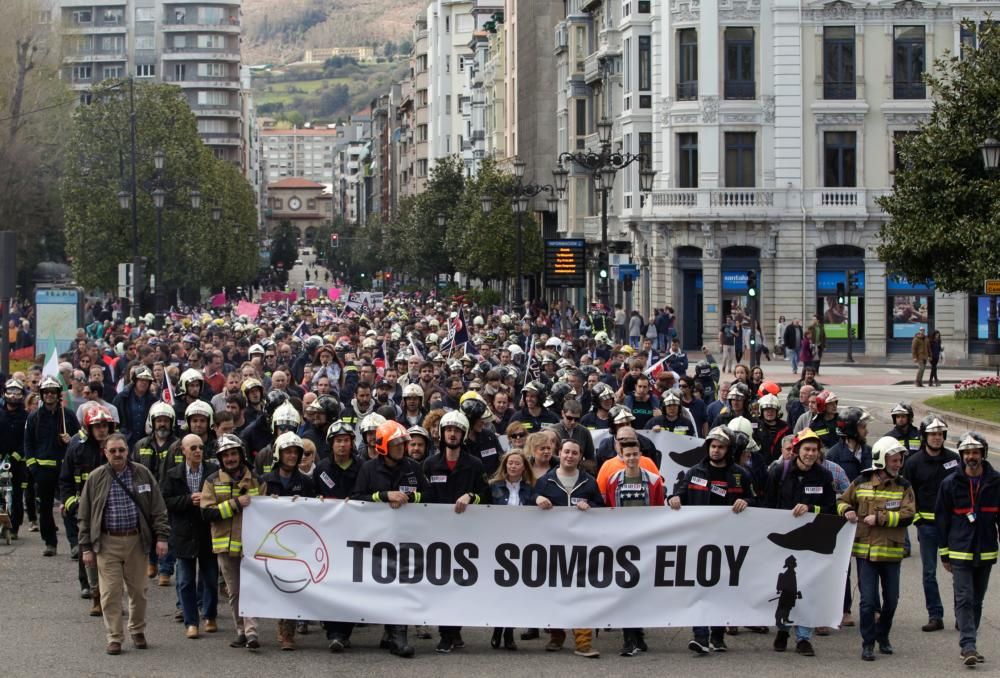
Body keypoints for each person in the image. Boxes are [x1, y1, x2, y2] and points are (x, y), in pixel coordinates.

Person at [77, 432, 170, 655]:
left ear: (128, 451)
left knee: (139, 592)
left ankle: (137, 630)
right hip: (107, 542)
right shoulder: (96, 477)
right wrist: (86, 548)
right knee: (110, 593)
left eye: (122, 450)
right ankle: (114, 637)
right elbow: (84, 515)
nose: (118, 454)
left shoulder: (142, 473)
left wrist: (162, 538)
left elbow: (158, 508)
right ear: (105, 453)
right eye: (113, 451)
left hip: (136, 541)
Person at [669, 426, 753, 654]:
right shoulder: (695, 471)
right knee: (699, 588)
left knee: (720, 589)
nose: (716, 451)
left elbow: (754, 501)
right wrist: (674, 498)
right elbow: (679, 493)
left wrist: (746, 502)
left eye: (721, 447)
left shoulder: (741, 474)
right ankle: (701, 637)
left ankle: (717, 636)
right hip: (699, 541)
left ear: (729, 449)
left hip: (728, 542)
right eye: (713, 446)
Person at [351, 420, 429, 658]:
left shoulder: (413, 468)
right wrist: (384, 496)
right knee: (382, 583)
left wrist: (407, 497)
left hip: (407, 537)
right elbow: (357, 497)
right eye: (396, 443)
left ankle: (398, 635)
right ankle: (389, 631)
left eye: (403, 443)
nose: (402, 447)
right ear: (384, 446)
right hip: (377, 538)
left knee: (402, 583)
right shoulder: (369, 469)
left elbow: (428, 495)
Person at [838, 436, 916, 661]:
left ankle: (883, 636)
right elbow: (843, 500)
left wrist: (881, 518)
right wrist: (846, 510)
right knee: (867, 601)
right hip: (866, 553)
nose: (898, 464)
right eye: (894, 459)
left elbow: (908, 514)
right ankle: (868, 643)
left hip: (891, 553)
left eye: (900, 460)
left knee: (891, 600)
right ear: (882, 459)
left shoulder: (904, 486)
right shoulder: (861, 482)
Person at [763, 428, 837, 656]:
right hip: (784, 543)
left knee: (808, 588)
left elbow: (831, 510)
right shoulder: (779, 472)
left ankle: (804, 638)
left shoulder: (824, 476)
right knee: (787, 590)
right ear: (797, 450)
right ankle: (783, 631)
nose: (811, 454)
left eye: (814, 450)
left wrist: (812, 509)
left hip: (811, 542)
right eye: (806, 449)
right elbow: (766, 504)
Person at [423, 410, 488, 654]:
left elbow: (487, 496)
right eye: (448, 430)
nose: (452, 434)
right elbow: (424, 497)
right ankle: (446, 634)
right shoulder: (429, 464)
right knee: (441, 583)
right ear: (441, 433)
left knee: (461, 584)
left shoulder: (474, 465)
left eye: (457, 430)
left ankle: (454, 629)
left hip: (466, 535)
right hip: (438, 535)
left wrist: (472, 496)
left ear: (463, 434)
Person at [535, 438, 603, 658]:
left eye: (574, 453)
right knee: (555, 591)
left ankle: (583, 642)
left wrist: (590, 506)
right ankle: (556, 636)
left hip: (581, 549)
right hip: (553, 547)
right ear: (560, 453)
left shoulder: (589, 482)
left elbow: (603, 509)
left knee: (581, 593)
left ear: (580, 457)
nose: (569, 456)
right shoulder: (546, 481)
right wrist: (536, 499)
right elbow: (528, 505)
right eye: (566, 452)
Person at [935, 432, 998, 666]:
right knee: (964, 598)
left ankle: (971, 642)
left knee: (977, 601)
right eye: (967, 453)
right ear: (961, 455)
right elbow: (941, 520)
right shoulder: (950, 483)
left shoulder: (996, 482)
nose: (971, 456)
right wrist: (944, 552)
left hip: (986, 550)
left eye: (975, 452)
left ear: (983, 454)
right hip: (960, 551)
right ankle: (968, 646)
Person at [604, 435, 665, 656]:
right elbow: (609, 507)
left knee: (641, 589)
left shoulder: (654, 480)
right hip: (621, 542)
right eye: (627, 454)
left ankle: (638, 634)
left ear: (640, 455)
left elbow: (659, 508)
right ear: (621, 455)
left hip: (645, 541)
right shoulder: (613, 480)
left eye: (634, 454)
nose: (631, 458)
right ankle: (629, 638)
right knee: (624, 588)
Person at [201, 433, 263, 650]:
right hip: (225, 545)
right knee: (235, 592)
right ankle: (241, 631)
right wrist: (236, 503)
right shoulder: (211, 481)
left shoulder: (257, 480)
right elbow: (206, 513)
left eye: (233, 453)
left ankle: (251, 632)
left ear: (241, 454)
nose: (230, 458)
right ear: (220, 459)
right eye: (225, 455)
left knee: (251, 589)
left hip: (252, 545)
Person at [261, 432, 317, 650]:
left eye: (296, 452)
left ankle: (288, 632)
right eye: (288, 452)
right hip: (272, 542)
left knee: (291, 585)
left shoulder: (306, 482)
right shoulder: (265, 481)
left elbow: (315, 508)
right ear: (278, 454)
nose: (293, 456)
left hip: (297, 543)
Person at [902, 414, 958, 633]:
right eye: (932, 434)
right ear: (924, 436)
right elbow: (908, 494)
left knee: (958, 570)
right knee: (929, 572)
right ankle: (935, 615)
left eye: (940, 434)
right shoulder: (913, 463)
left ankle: (961, 614)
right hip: (926, 526)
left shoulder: (954, 460)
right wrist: (917, 520)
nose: (937, 438)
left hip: (952, 526)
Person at [161, 434, 219, 640]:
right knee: (185, 581)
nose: (197, 451)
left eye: (200, 447)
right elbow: (165, 500)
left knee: (211, 580)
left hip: (207, 532)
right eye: (193, 447)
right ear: (183, 450)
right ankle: (191, 622)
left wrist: (207, 500)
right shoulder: (173, 474)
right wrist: (188, 500)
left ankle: (210, 616)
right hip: (183, 534)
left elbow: (222, 495)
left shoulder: (213, 472)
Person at [25, 375, 81, 556]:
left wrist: (70, 439)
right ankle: (50, 543)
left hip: (65, 468)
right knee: (45, 508)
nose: (49, 395)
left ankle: (75, 543)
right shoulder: (34, 417)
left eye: (53, 392)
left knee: (69, 505)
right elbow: (28, 444)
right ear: (41, 394)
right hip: (43, 470)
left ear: (58, 394)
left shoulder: (69, 415)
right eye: (46, 392)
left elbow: (81, 439)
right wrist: (33, 468)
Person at [0, 379, 30, 539]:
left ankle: (14, 526)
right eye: (10, 391)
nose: (13, 395)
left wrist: (14, 457)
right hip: (0, 460)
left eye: (17, 392)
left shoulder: (26, 417)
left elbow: (27, 440)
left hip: (18, 463)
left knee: (17, 495)